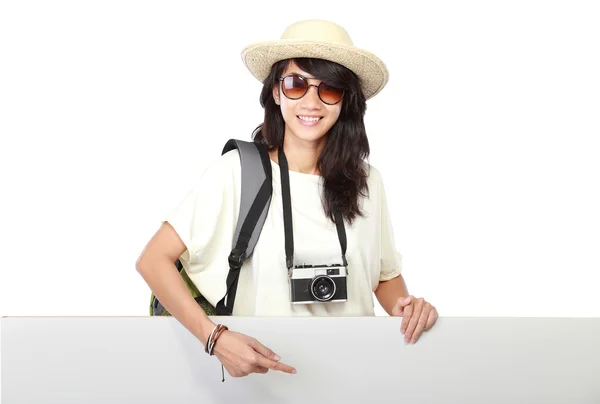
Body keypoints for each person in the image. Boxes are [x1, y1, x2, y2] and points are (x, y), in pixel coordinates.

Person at [135, 19, 438, 378]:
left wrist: (407, 311)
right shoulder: (237, 172)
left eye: (329, 89)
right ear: (275, 92)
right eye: (296, 84)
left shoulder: (368, 182)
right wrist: (214, 337)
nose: (311, 102)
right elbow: (153, 261)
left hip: (357, 375)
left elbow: (382, 275)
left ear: (346, 99)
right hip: (263, 381)